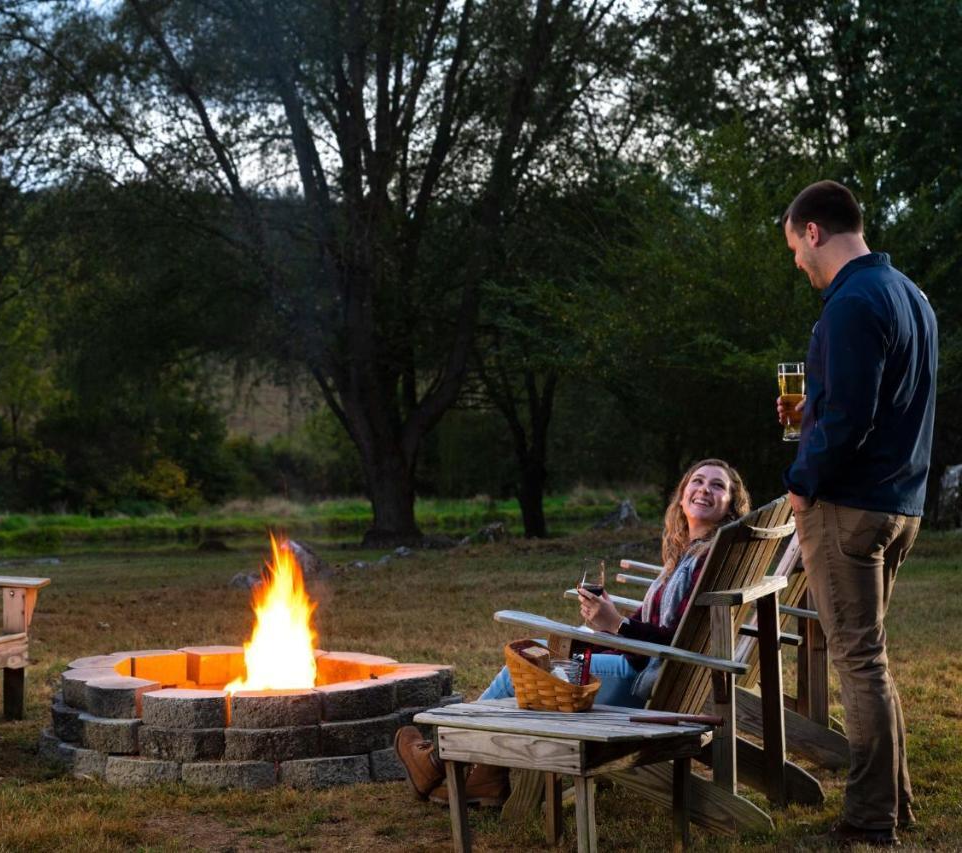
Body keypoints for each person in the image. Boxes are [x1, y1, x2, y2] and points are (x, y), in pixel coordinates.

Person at [395, 458, 750, 806]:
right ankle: (486, 775)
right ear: (682, 494)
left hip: (648, 686)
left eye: (717, 485)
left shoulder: (705, 560)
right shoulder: (688, 555)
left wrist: (616, 625)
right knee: (533, 657)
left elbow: (677, 641)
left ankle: (438, 760)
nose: (704, 489)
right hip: (646, 669)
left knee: (523, 668)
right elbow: (653, 624)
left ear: (730, 505)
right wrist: (606, 625)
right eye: (697, 481)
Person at [778, 180, 937, 848]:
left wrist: (801, 477)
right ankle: (893, 801)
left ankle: (870, 820)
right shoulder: (911, 296)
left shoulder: (850, 301)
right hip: (901, 502)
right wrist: (808, 412)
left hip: (849, 507)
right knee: (872, 655)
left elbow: (851, 417)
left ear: (813, 231)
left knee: (857, 659)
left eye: (793, 246)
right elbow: (882, 399)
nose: (796, 262)